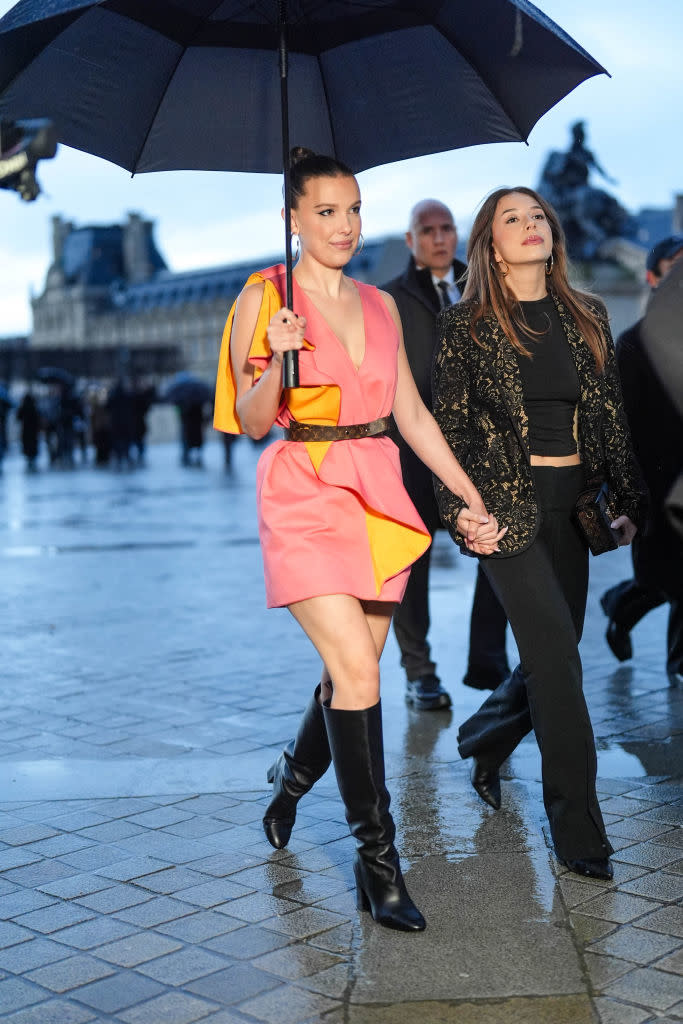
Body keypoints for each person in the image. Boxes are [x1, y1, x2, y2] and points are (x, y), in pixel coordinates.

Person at [214, 148, 504, 932]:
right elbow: (248, 420)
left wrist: (466, 495)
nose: (343, 225)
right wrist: (273, 353)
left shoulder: (380, 305)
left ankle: (291, 780)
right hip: (303, 484)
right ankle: (379, 863)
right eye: (325, 212)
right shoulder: (263, 299)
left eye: (352, 209)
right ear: (293, 220)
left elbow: (411, 415)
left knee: (357, 673)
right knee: (353, 668)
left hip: (378, 486)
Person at [432, 187, 645, 881]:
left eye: (536, 216)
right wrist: (457, 509)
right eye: (510, 219)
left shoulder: (585, 314)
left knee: (546, 659)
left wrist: (630, 500)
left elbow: (609, 416)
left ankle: (485, 738)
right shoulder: (463, 326)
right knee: (559, 663)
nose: (528, 225)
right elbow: (449, 431)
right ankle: (577, 830)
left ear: (552, 232)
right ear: (490, 244)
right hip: (504, 513)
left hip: (572, 506)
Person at [382, 201, 509, 709]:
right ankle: (419, 670)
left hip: (477, 454)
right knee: (412, 565)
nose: (439, 237)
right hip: (412, 456)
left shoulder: (485, 288)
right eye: (426, 230)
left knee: (499, 551)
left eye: (446, 228)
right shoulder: (388, 300)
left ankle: (489, 661)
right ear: (411, 241)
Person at [600, 236, 683, 684]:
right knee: (660, 579)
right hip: (652, 487)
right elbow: (621, 429)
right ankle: (620, 606)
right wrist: (627, 497)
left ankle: (678, 663)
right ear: (652, 278)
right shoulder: (633, 344)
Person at [16, 389, 40, 471]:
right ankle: (32, 459)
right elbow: (38, 419)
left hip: (25, 430)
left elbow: (18, 417)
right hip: (33, 430)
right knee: (33, 444)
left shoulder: (23, 407)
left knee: (27, 445)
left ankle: (29, 459)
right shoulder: (34, 407)